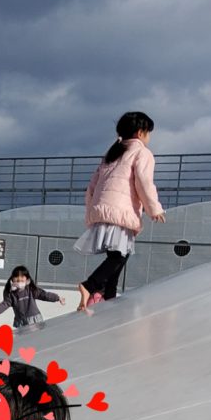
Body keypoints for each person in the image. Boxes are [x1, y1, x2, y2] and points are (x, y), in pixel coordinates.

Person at [74, 112, 165, 310]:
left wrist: (91, 213)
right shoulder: (142, 153)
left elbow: (91, 187)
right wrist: (154, 208)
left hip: (103, 211)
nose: (149, 137)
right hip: (120, 212)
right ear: (140, 132)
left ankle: (107, 297)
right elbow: (144, 182)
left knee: (116, 259)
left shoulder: (111, 154)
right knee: (119, 257)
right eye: (148, 132)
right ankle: (90, 286)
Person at [0, 266, 65, 328]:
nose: (19, 280)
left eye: (22, 278)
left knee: (35, 340)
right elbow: (5, 304)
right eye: (17, 278)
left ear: (27, 280)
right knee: (23, 342)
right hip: (20, 321)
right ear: (12, 279)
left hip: (34, 320)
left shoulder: (31, 290)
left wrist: (57, 298)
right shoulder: (11, 294)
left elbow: (44, 295)